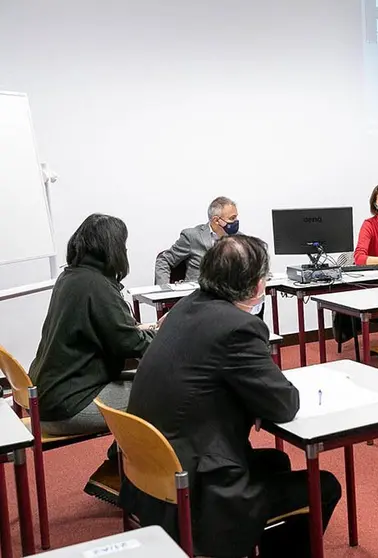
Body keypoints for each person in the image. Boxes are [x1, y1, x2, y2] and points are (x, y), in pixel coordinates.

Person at [122, 235, 342, 557]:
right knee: (325, 486)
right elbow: (283, 404)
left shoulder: (185, 306)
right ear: (256, 285)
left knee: (277, 461)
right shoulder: (238, 327)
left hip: (151, 475)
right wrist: (256, 401)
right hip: (194, 491)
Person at [29, 214, 156, 501]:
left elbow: (110, 333)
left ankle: (117, 469)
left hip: (47, 397)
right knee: (163, 393)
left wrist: (142, 332)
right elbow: (130, 344)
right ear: (112, 248)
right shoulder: (96, 286)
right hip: (68, 405)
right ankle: (121, 473)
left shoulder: (72, 277)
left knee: (146, 384)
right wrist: (162, 335)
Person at [154, 196, 238, 285]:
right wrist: (164, 289)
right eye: (232, 218)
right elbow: (164, 260)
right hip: (198, 291)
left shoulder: (240, 240)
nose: (236, 221)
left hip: (228, 292)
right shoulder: (192, 237)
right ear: (216, 220)